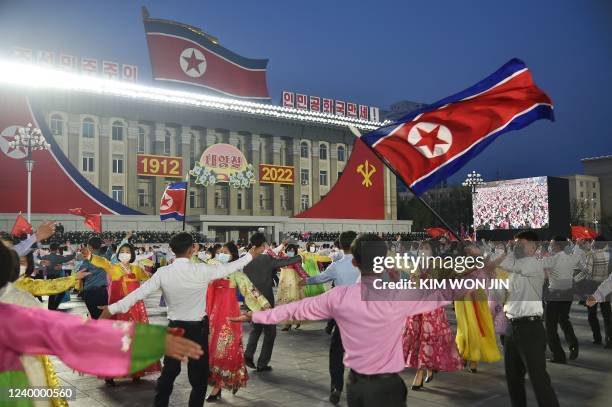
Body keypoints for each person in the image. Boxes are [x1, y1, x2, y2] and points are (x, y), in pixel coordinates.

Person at [231, 234, 491, 407]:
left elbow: (294, 310)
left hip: (356, 385)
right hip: (390, 385)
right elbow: (447, 292)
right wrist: (479, 271)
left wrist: (255, 315)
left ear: (355, 262)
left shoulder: (340, 296)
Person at [0, 239, 203, 407]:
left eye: (127, 251)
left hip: (134, 310)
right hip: (16, 381)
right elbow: (65, 330)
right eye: (121, 251)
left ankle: (133, 370)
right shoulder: (13, 308)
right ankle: (112, 371)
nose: (124, 254)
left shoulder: (137, 268)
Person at [99, 232, 264, 407]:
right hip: (197, 330)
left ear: (172, 250)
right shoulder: (202, 270)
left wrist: (112, 308)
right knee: (198, 379)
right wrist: (251, 254)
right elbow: (230, 267)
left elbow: (138, 294)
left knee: (169, 374)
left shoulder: (163, 273)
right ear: (191, 250)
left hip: (175, 328)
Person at [495, 231, 560, 407]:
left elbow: (509, 264)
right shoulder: (516, 268)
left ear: (534, 247)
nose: (517, 246)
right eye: (516, 243)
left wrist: (487, 254)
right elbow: (505, 292)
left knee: (539, 382)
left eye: (520, 243)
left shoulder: (533, 264)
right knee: (514, 382)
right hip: (512, 328)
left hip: (530, 330)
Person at [206, 242, 270, 401]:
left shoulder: (235, 273)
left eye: (225, 252)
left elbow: (250, 289)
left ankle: (217, 387)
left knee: (225, 349)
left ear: (233, 255)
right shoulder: (212, 267)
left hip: (228, 316)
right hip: (212, 316)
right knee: (215, 350)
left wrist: (265, 305)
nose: (221, 253)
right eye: (220, 251)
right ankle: (233, 378)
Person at [300, 231, 359, 404]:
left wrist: (305, 281)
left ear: (340, 245)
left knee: (337, 353)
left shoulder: (336, 265)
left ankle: (337, 387)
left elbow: (320, 278)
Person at [403, 240, 463, 390]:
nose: (423, 250)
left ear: (433, 251)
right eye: (421, 248)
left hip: (432, 309)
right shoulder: (415, 266)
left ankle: (420, 373)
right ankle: (428, 368)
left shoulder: (438, 265)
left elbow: (454, 276)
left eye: (427, 248)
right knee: (418, 340)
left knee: (428, 339)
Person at [243, 233, 301, 372]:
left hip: (251, 300)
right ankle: (262, 363)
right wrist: (298, 257)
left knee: (256, 329)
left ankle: (248, 354)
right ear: (263, 245)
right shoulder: (266, 258)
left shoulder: (244, 259)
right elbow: (283, 262)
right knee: (270, 332)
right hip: (266, 301)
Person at [542, 236, 580, 362]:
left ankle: (558, 355)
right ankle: (573, 344)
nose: (550, 246)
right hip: (568, 293)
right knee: (564, 320)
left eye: (552, 244)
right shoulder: (571, 257)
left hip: (555, 295)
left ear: (557, 246)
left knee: (550, 326)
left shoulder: (552, 259)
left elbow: (540, 271)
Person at [577, 236, 611, 347]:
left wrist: (575, 279)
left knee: (592, 314)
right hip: (606, 287)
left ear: (594, 243)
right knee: (607, 314)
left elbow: (587, 272)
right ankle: (609, 339)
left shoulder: (591, 255)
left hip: (592, 287)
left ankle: (597, 338)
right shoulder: (608, 255)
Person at [273, 243, 308, 331]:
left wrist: (309, 279)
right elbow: (273, 255)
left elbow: (301, 271)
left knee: (292, 302)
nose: (290, 252)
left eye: (292, 251)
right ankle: (287, 324)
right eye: (289, 250)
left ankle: (295, 321)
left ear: (295, 252)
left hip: (293, 285)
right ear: (286, 250)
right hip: (283, 285)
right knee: (284, 303)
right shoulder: (282, 259)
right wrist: (269, 249)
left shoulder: (295, 260)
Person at [79, 236, 110, 319]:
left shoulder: (88, 260)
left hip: (91, 293)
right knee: (103, 317)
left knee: (95, 317)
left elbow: (80, 273)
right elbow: (110, 251)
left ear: (90, 247)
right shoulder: (105, 258)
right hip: (103, 292)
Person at [40, 242, 76, 310]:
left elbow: (38, 258)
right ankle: (53, 307)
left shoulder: (45, 257)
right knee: (61, 292)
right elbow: (70, 257)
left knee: (52, 294)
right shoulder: (59, 257)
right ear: (57, 249)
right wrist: (73, 251)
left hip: (49, 277)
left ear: (50, 249)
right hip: (57, 277)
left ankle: (51, 308)